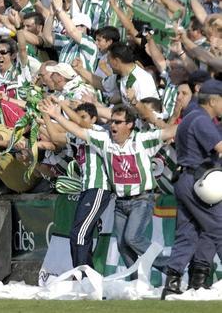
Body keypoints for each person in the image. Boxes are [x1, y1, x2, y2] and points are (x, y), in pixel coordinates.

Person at [41, 103, 177, 273]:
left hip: (141, 199)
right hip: (120, 202)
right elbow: (76, 131)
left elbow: (171, 131)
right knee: (122, 245)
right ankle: (135, 281)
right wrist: (56, 115)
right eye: (112, 121)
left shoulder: (143, 140)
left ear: (129, 125)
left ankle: (171, 267)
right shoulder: (104, 140)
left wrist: (197, 120)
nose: (112, 125)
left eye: (118, 122)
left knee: (132, 238)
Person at [162, 79, 222, 299]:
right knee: (219, 227)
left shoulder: (190, 116)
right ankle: (193, 280)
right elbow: (220, 148)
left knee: (188, 233)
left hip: (185, 179)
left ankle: (172, 284)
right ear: (213, 100)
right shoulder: (202, 120)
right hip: (200, 182)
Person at [40, 100, 112, 268]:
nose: (79, 121)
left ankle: (83, 273)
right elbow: (55, 137)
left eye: (84, 117)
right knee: (78, 233)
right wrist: (45, 113)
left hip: (99, 187)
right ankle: (83, 273)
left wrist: (60, 106)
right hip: (85, 189)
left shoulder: (99, 131)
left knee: (79, 233)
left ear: (94, 119)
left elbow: (80, 124)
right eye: (77, 117)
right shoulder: (77, 136)